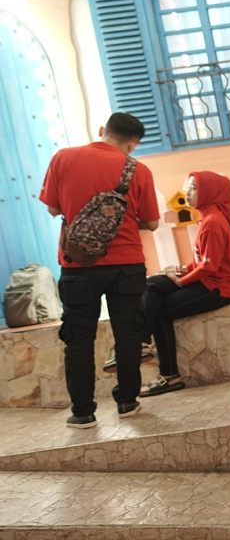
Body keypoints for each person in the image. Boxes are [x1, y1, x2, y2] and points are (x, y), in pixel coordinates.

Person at [39, 112, 159, 429]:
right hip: (127, 266)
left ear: (102, 130)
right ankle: (127, 402)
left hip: (79, 264)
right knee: (129, 334)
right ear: (132, 145)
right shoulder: (139, 170)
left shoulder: (63, 158)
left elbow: (53, 208)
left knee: (78, 338)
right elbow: (152, 222)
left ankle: (83, 412)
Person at [105, 171, 230, 396]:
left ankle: (166, 371)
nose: (187, 192)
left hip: (223, 287)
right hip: (210, 280)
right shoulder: (208, 217)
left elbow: (209, 267)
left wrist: (181, 281)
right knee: (151, 285)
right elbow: (201, 261)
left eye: (193, 188)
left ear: (210, 192)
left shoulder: (213, 222)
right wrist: (182, 270)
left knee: (160, 307)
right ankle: (144, 346)